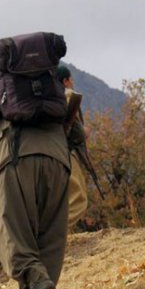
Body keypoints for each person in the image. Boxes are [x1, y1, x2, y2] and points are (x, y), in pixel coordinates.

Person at [0, 33, 71, 289]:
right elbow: (77, 133)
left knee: (11, 230)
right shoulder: (56, 91)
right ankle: (39, 286)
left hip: (15, 161)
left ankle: (34, 278)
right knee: (51, 238)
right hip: (58, 164)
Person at [57, 65, 89, 227]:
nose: (73, 82)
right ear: (65, 81)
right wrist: (83, 131)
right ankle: (53, 235)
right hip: (62, 152)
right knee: (78, 199)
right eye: (71, 79)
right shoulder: (67, 96)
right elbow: (78, 134)